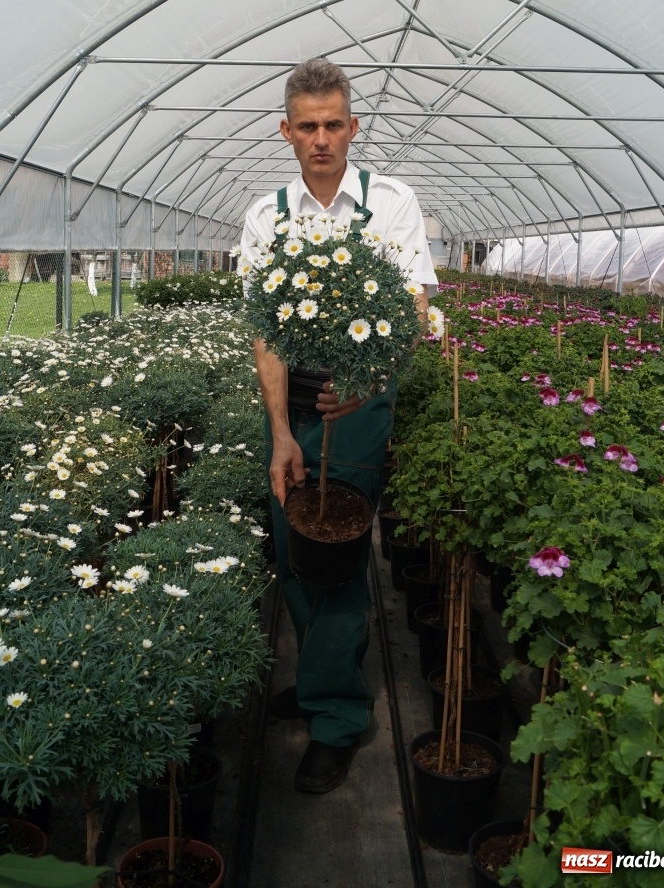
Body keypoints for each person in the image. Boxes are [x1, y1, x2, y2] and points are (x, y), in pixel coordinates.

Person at [240, 57, 437, 794]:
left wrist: (360, 384)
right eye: (307, 126)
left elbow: (414, 306)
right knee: (293, 544)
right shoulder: (269, 218)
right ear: (285, 131)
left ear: (353, 127)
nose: (321, 138)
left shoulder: (388, 203)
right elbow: (266, 331)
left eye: (334, 124)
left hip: (359, 405)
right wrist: (282, 432)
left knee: (339, 549)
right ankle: (326, 676)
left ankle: (336, 718)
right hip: (291, 408)